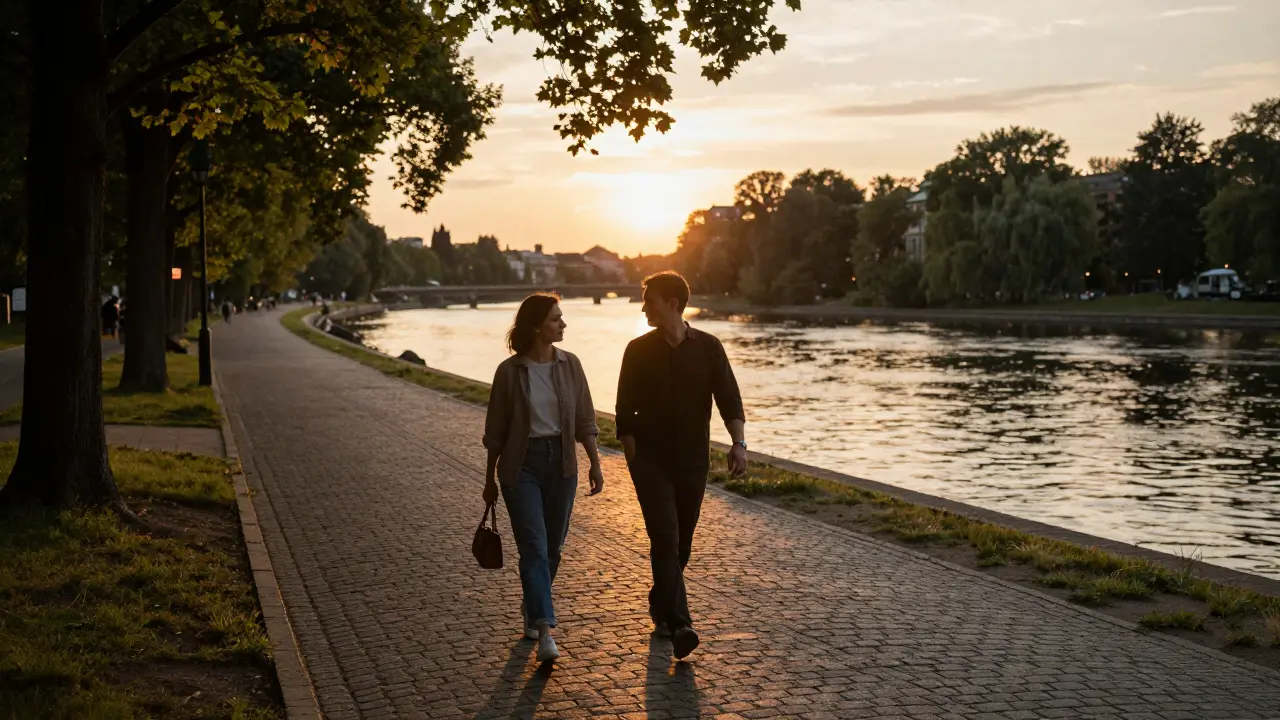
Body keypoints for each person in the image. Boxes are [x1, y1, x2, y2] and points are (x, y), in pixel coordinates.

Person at [616, 271, 747, 661]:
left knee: (682, 543)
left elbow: (729, 398)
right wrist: (631, 449)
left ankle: (660, 601)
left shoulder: (708, 347)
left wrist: (738, 444)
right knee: (666, 540)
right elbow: (624, 408)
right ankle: (680, 625)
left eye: (649, 299)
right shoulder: (637, 349)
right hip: (651, 462)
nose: (644, 307)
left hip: (692, 461)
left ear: (672, 302)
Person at [483, 294, 605, 663]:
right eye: (556, 319)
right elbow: (496, 431)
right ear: (537, 326)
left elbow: (585, 419)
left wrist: (595, 463)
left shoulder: (571, 365)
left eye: (562, 318)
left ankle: (532, 605)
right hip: (522, 466)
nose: (563, 324)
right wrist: (489, 479)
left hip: (562, 464)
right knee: (534, 547)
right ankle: (546, 632)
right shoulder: (509, 372)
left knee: (552, 549)